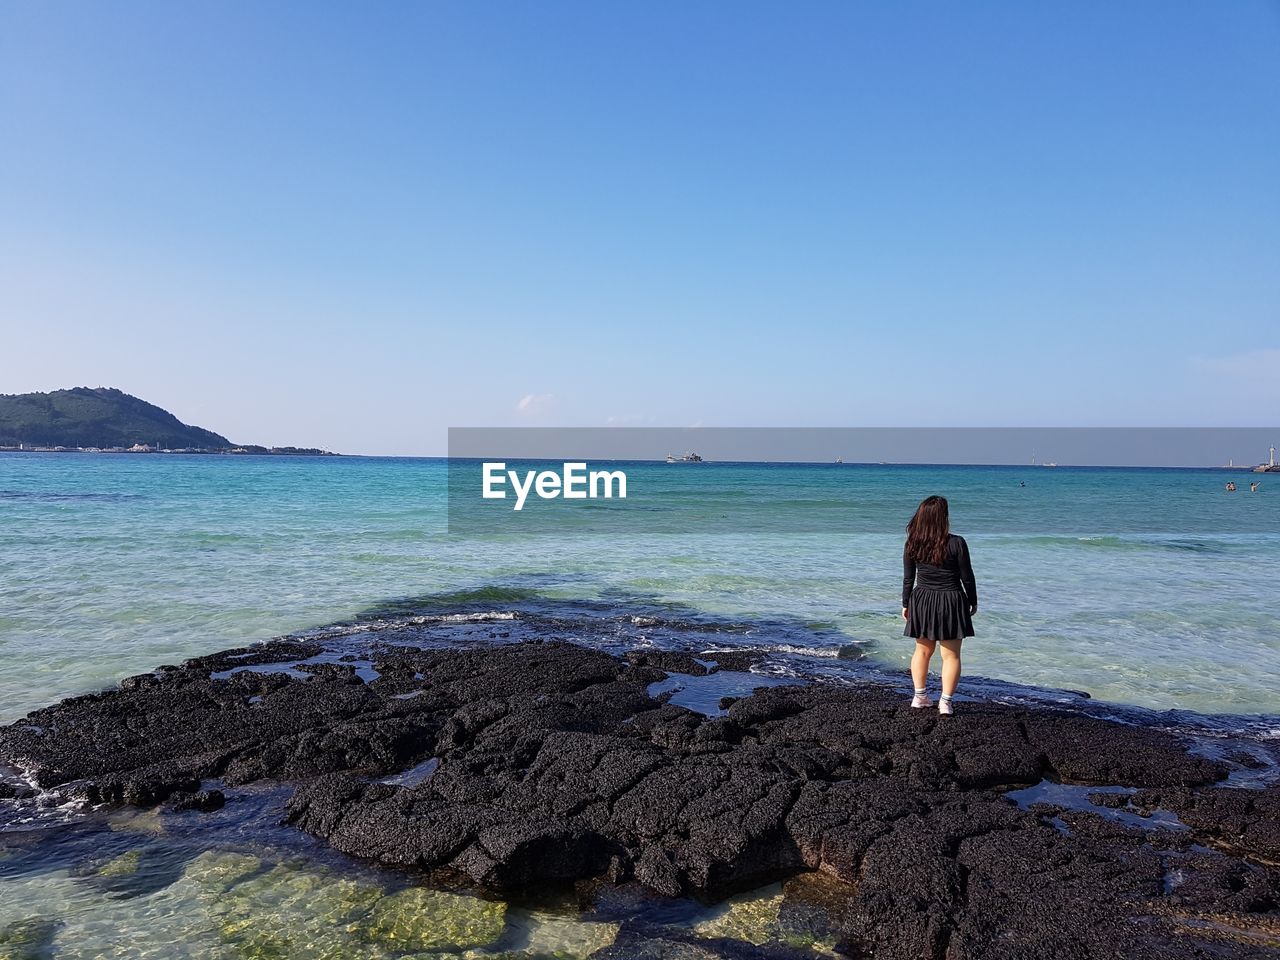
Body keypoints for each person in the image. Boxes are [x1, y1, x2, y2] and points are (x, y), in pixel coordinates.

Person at [902, 495, 977, 715]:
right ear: (943, 517)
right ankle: (945, 702)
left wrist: (906, 603)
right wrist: (973, 601)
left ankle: (920, 696)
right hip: (952, 599)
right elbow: (967, 577)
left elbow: (908, 578)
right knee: (951, 655)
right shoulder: (957, 543)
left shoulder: (912, 543)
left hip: (922, 599)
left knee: (922, 651)